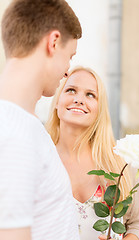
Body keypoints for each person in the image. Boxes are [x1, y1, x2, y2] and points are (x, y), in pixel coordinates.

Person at [0, 0, 82, 240]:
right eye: (70, 56)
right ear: (53, 42)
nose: (68, 69)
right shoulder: (12, 131)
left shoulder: (26, 124)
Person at [46, 66, 139, 240]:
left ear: (99, 109)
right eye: (71, 90)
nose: (79, 99)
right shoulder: (40, 159)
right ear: (57, 101)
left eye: (90, 95)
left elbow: (138, 224)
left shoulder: (119, 162)